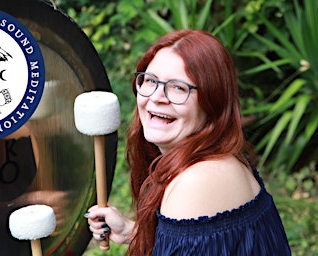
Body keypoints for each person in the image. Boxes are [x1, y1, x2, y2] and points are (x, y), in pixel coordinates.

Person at [84, 29, 291, 255]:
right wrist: (131, 231)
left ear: (212, 103)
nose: (156, 97)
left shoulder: (196, 183)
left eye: (178, 87)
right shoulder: (224, 159)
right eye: (151, 80)